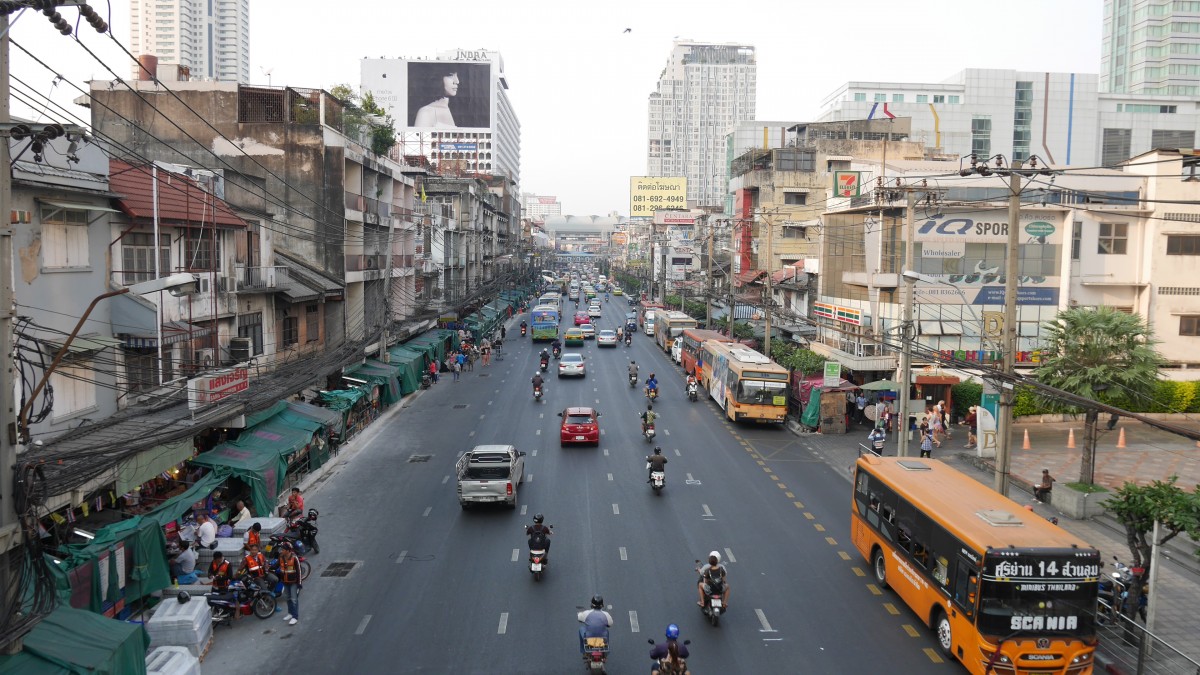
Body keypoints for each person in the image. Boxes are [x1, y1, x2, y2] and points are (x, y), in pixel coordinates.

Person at [277, 542, 302, 626]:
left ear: (288, 550)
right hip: (285, 581)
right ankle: (290, 613)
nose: (281, 551)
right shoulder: (281, 557)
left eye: (283, 549)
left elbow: (299, 571)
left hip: (293, 582)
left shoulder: (294, 558)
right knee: (288, 598)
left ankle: (295, 617)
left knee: (294, 599)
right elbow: (276, 565)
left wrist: (299, 583)